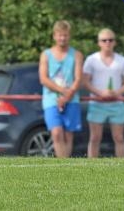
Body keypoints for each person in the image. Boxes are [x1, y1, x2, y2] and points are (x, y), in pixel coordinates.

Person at [82, 28, 124, 158]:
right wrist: (100, 93)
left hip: (116, 103)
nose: (107, 43)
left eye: (110, 40)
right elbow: (85, 82)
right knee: (95, 138)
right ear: (99, 42)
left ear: (115, 42)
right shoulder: (91, 59)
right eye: (104, 40)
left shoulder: (122, 60)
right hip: (97, 103)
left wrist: (116, 93)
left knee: (119, 138)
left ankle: (122, 168)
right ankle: (91, 168)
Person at [38, 20, 83, 158]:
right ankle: (60, 165)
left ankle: (65, 165)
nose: (62, 38)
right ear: (54, 36)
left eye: (65, 35)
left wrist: (67, 95)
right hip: (51, 99)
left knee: (69, 135)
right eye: (60, 35)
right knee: (57, 133)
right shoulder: (46, 55)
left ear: (69, 36)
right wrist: (62, 91)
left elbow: (78, 78)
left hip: (72, 99)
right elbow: (43, 78)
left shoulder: (76, 55)